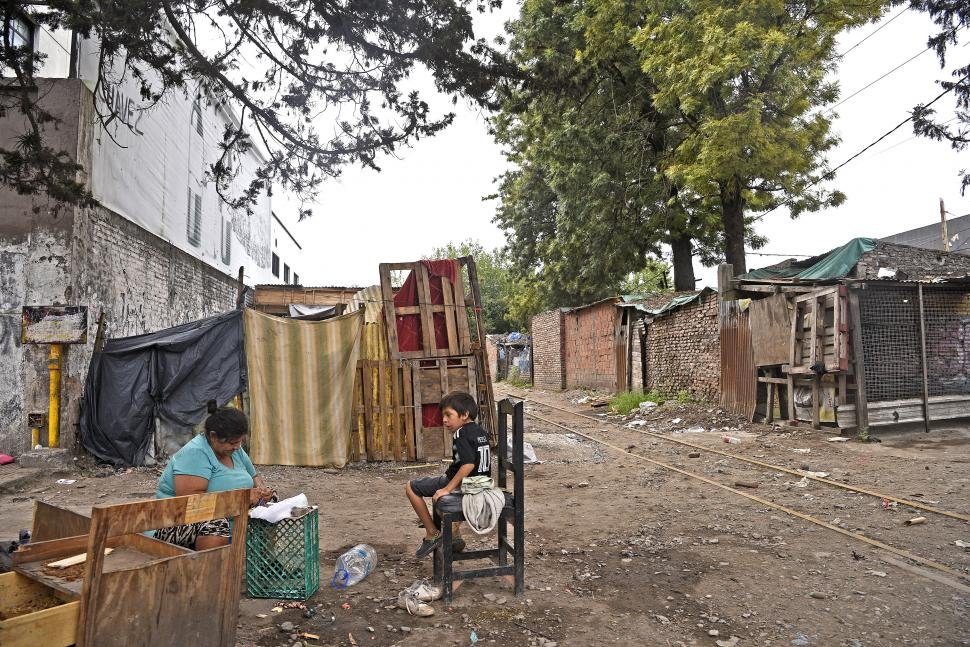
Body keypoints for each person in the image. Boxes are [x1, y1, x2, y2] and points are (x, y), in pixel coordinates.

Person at [153, 401, 274, 550]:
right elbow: (192, 504)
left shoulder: (235, 450)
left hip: (229, 512)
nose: (237, 446)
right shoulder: (195, 453)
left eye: (240, 441)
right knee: (216, 525)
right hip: (175, 522)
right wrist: (241, 498)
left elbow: (255, 477)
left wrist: (262, 491)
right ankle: (210, 571)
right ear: (213, 436)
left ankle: (264, 564)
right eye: (232, 442)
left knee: (272, 508)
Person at [405, 390, 491, 558]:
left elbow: (468, 465)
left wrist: (448, 488)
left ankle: (432, 534)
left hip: (464, 484)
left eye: (448, 415)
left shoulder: (461, 433)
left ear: (464, 415)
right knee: (437, 491)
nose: (444, 420)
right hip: (482, 483)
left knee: (411, 488)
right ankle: (454, 537)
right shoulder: (480, 431)